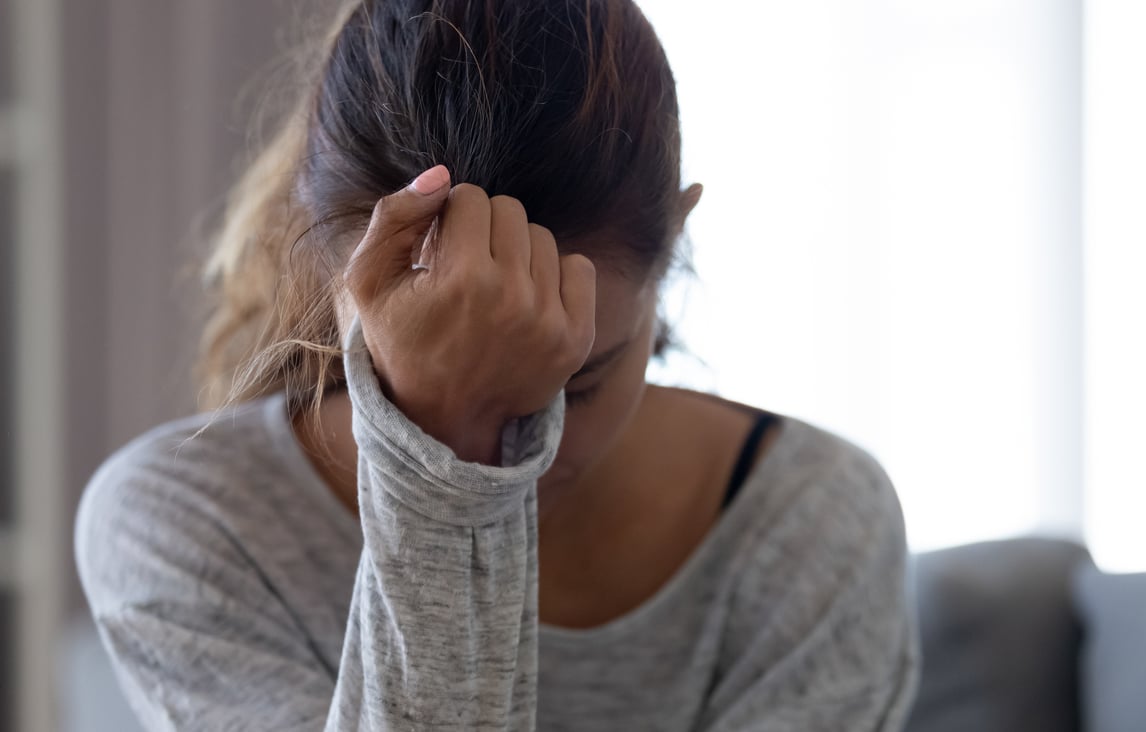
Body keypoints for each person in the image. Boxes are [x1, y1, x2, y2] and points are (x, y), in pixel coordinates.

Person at [75, 0, 919, 729]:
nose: (530, 446)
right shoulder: (185, 523)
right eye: (416, 359)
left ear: (677, 241)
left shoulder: (811, 521)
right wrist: (438, 468)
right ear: (337, 276)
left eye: (574, 383)